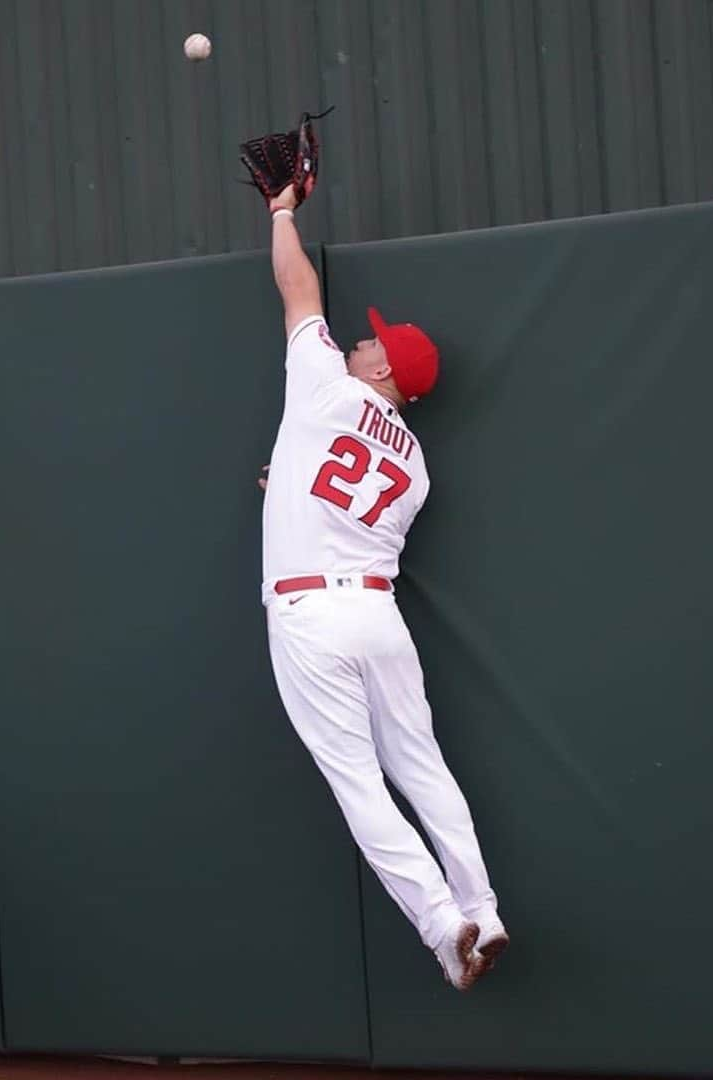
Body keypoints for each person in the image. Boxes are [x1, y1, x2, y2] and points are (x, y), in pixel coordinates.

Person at [257, 181, 508, 990]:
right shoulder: (416, 465)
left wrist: (281, 209)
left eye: (374, 345)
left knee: (359, 783)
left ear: (384, 370)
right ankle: (487, 911)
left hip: (310, 614)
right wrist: (286, 482)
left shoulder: (326, 383)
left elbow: (298, 285)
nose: (363, 344)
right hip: (376, 612)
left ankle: (445, 926)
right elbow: (343, 497)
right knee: (425, 771)